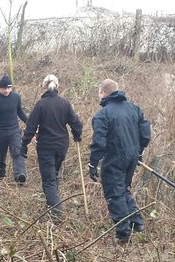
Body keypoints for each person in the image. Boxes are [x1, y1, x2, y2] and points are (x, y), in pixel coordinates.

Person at [88, 79, 151, 243]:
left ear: (103, 93)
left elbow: (99, 143)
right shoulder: (134, 109)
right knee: (123, 188)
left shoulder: (102, 115)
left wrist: (93, 163)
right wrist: (138, 152)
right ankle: (137, 223)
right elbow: (145, 135)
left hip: (114, 157)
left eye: (99, 93)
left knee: (115, 193)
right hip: (132, 156)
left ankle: (123, 233)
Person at [22, 75, 83, 218]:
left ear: (44, 86)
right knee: (54, 174)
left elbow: (30, 128)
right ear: (57, 86)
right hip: (62, 145)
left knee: (48, 180)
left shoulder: (41, 105)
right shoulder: (65, 103)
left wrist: (23, 144)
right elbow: (76, 123)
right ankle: (52, 203)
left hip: (46, 146)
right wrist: (77, 135)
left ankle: (57, 211)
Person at [0, 75, 28, 184]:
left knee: (18, 151)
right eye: (4, 88)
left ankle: (19, 175)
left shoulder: (16, 97)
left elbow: (20, 112)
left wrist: (30, 123)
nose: (7, 90)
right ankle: (0, 175)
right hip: (0, 132)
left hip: (14, 130)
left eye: (9, 88)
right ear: (0, 88)